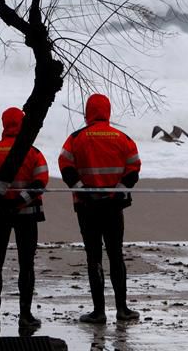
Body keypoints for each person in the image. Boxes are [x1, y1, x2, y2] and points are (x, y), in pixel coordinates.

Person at [59, 93, 141, 324]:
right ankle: (123, 310)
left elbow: (65, 166)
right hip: (114, 207)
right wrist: (118, 191)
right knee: (116, 255)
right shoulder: (122, 138)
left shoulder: (76, 138)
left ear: (87, 112)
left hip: (87, 207)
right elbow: (133, 168)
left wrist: (83, 189)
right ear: (108, 111)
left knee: (93, 256)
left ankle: (99, 312)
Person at [0, 106, 48, 330]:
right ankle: (26, 316)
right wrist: (19, 201)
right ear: (23, 124)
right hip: (27, 215)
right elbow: (41, 180)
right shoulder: (32, 152)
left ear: (3, 124)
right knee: (26, 264)